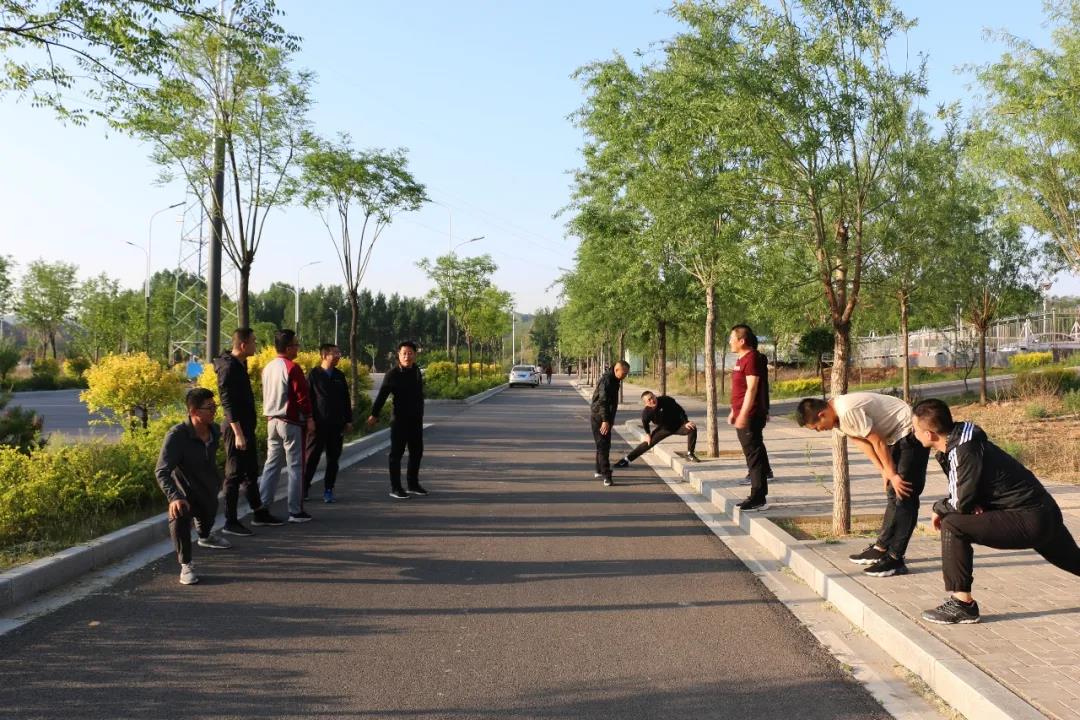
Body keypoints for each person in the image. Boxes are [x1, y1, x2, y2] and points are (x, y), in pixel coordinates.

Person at [912, 398, 1080, 624]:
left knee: (952, 524)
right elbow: (973, 489)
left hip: (1030, 518)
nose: (913, 433)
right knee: (1074, 561)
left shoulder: (962, 450)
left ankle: (962, 605)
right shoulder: (962, 441)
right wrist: (974, 503)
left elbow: (959, 503)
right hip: (1043, 513)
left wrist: (938, 508)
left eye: (915, 429)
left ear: (929, 434)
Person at [796, 391, 929, 577]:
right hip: (895, 436)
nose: (819, 431)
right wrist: (884, 470)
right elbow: (863, 442)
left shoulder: (847, 411)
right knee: (894, 494)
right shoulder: (837, 419)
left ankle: (896, 559)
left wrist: (892, 473)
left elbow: (878, 441)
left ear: (822, 415)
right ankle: (882, 549)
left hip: (909, 432)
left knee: (905, 495)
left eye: (816, 427)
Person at [155, 388, 233, 585]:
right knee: (179, 513)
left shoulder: (214, 430)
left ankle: (205, 536)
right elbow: (161, 471)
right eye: (209, 408)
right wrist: (174, 496)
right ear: (194, 412)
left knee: (208, 517)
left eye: (215, 406)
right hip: (184, 491)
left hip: (207, 488)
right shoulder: (177, 436)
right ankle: (186, 564)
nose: (214, 411)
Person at [214, 328, 282, 534]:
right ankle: (230, 521)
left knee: (251, 471)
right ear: (243, 345)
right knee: (234, 474)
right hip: (235, 429)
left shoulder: (239, 364)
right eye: (253, 341)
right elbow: (227, 403)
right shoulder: (228, 368)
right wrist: (238, 433)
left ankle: (259, 512)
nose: (256, 345)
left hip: (245, 427)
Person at [258, 329, 315, 523]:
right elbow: (302, 397)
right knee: (296, 466)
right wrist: (309, 417)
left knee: (271, 465)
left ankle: (262, 507)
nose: (298, 348)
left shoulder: (268, 367)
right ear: (289, 348)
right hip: (290, 421)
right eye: (296, 345)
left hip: (271, 421)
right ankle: (295, 510)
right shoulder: (292, 367)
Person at [368, 341, 426, 500]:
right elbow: (382, 395)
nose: (407, 356)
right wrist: (374, 414)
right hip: (399, 420)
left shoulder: (416, 371)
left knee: (417, 452)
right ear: (398, 355)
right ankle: (396, 488)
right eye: (404, 353)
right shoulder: (392, 374)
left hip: (416, 419)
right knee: (396, 454)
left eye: (410, 353)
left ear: (415, 355)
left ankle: (413, 484)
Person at [729, 324, 773, 512]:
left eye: (732, 338)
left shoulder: (752, 358)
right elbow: (739, 389)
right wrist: (734, 410)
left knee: (753, 456)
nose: (729, 342)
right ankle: (758, 494)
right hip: (742, 413)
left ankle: (758, 497)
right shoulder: (741, 359)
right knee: (754, 454)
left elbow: (752, 388)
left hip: (750, 415)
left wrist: (744, 414)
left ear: (742, 341)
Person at [303, 343, 353, 504]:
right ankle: (304, 488)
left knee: (333, 459)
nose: (338, 356)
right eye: (335, 353)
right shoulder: (314, 375)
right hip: (317, 425)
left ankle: (328, 490)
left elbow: (346, 399)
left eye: (339, 353)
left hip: (336, 425)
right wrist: (309, 419)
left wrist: (348, 420)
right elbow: (307, 399)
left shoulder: (339, 375)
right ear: (324, 356)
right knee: (311, 458)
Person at [615, 390, 698, 467]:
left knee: (692, 428)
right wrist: (648, 434)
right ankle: (626, 460)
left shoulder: (666, 400)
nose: (652, 400)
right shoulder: (646, 413)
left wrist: (686, 422)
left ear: (655, 396)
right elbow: (645, 423)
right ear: (646, 403)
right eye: (649, 400)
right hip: (664, 429)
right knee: (648, 443)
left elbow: (680, 410)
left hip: (678, 425)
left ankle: (690, 453)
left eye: (652, 397)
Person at [590, 360, 630, 487]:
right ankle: (607, 476)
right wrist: (605, 420)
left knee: (602, 444)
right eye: (624, 373)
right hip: (600, 417)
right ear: (616, 370)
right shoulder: (607, 380)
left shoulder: (615, 380)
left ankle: (599, 470)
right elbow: (603, 401)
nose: (625, 376)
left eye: (626, 374)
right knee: (603, 446)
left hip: (605, 417)